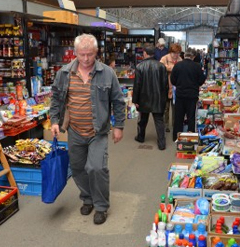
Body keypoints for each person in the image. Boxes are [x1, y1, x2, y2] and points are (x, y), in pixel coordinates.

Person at [50, 34, 126, 225]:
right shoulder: (64, 73)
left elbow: (118, 100)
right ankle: (88, 198)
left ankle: (101, 206)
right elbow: (57, 98)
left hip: (97, 131)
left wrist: (119, 126)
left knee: (97, 168)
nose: (86, 59)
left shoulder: (107, 73)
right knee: (77, 168)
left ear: (96, 52)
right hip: (74, 130)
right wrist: (54, 121)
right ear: (75, 53)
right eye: (82, 54)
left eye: (90, 54)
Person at [132, 43, 169, 150]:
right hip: (158, 98)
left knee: (142, 120)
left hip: (144, 98)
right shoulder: (161, 66)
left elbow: (137, 85)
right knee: (159, 121)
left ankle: (140, 137)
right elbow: (164, 84)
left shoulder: (139, 67)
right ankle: (162, 143)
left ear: (145, 53)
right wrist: (164, 98)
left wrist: (135, 100)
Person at [171, 49, 206, 141]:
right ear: (193, 57)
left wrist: (179, 85)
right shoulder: (197, 66)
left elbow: (172, 80)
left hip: (180, 95)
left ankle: (176, 137)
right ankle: (190, 138)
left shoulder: (177, 65)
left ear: (184, 55)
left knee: (178, 117)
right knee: (191, 117)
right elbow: (201, 80)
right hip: (192, 95)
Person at [160, 43, 182, 133]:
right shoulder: (165, 58)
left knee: (175, 107)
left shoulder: (180, 59)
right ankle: (165, 125)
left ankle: (174, 124)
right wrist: (172, 68)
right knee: (166, 108)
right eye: (174, 53)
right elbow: (161, 67)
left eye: (178, 53)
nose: (176, 55)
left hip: (176, 87)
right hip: (165, 86)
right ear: (171, 52)